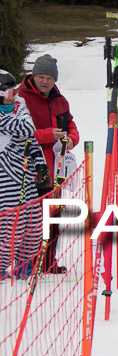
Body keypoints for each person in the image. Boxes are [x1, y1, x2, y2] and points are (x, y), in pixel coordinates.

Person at [18, 54, 80, 274]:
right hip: (28, 168)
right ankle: (27, 264)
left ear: (55, 80)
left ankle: (47, 262)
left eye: (49, 78)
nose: (44, 81)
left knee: (53, 215)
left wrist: (72, 137)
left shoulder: (59, 100)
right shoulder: (19, 98)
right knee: (31, 218)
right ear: (33, 76)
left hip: (57, 168)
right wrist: (46, 135)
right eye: (41, 77)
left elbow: (70, 123)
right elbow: (14, 133)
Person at [0, 70, 50, 280]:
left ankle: (25, 265)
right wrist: (21, 125)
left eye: (14, 91)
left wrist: (40, 164)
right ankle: (2, 267)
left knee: (33, 222)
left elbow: (29, 135)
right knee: (9, 225)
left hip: (26, 176)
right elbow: (24, 129)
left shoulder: (20, 105)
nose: (13, 96)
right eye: (8, 93)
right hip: (6, 174)